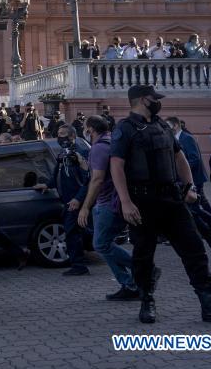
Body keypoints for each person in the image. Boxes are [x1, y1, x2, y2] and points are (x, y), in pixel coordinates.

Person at [109, 85, 211, 327]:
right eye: (154, 98)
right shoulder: (125, 128)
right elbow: (116, 165)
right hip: (142, 202)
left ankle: (210, 305)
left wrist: (190, 186)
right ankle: (146, 301)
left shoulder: (162, 126)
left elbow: (179, 157)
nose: (158, 102)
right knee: (143, 255)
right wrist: (126, 201)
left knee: (194, 250)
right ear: (143, 99)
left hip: (172, 199)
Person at [77, 116, 138, 300]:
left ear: (91, 130)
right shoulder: (111, 141)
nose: (84, 131)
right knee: (104, 243)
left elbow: (97, 180)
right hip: (117, 201)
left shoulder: (98, 147)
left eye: (85, 128)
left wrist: (85, 207)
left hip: (108, 203)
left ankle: (141, 271)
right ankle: (130, 284)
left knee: (101, 244)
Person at [167, 117, 211, 266]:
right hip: (181, 183)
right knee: (194, 212)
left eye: (168, 126)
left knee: (193, 213)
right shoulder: (174, 138)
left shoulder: (186, 138)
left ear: (176, 125)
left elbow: (193, 159)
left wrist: (183, 177)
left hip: (190, 181)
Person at [35, 125, 90, 275]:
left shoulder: (80, 153)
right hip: (67, 200)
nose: (60, 137)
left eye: (63, 134)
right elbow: (58, 175)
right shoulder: (63, 153)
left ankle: (79, 266)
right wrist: (47, 184)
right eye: (58, 134)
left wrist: (78, 199)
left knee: (72, 232)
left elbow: (88, 180)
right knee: (75, 232)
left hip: (75, 201)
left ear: (72, 136)